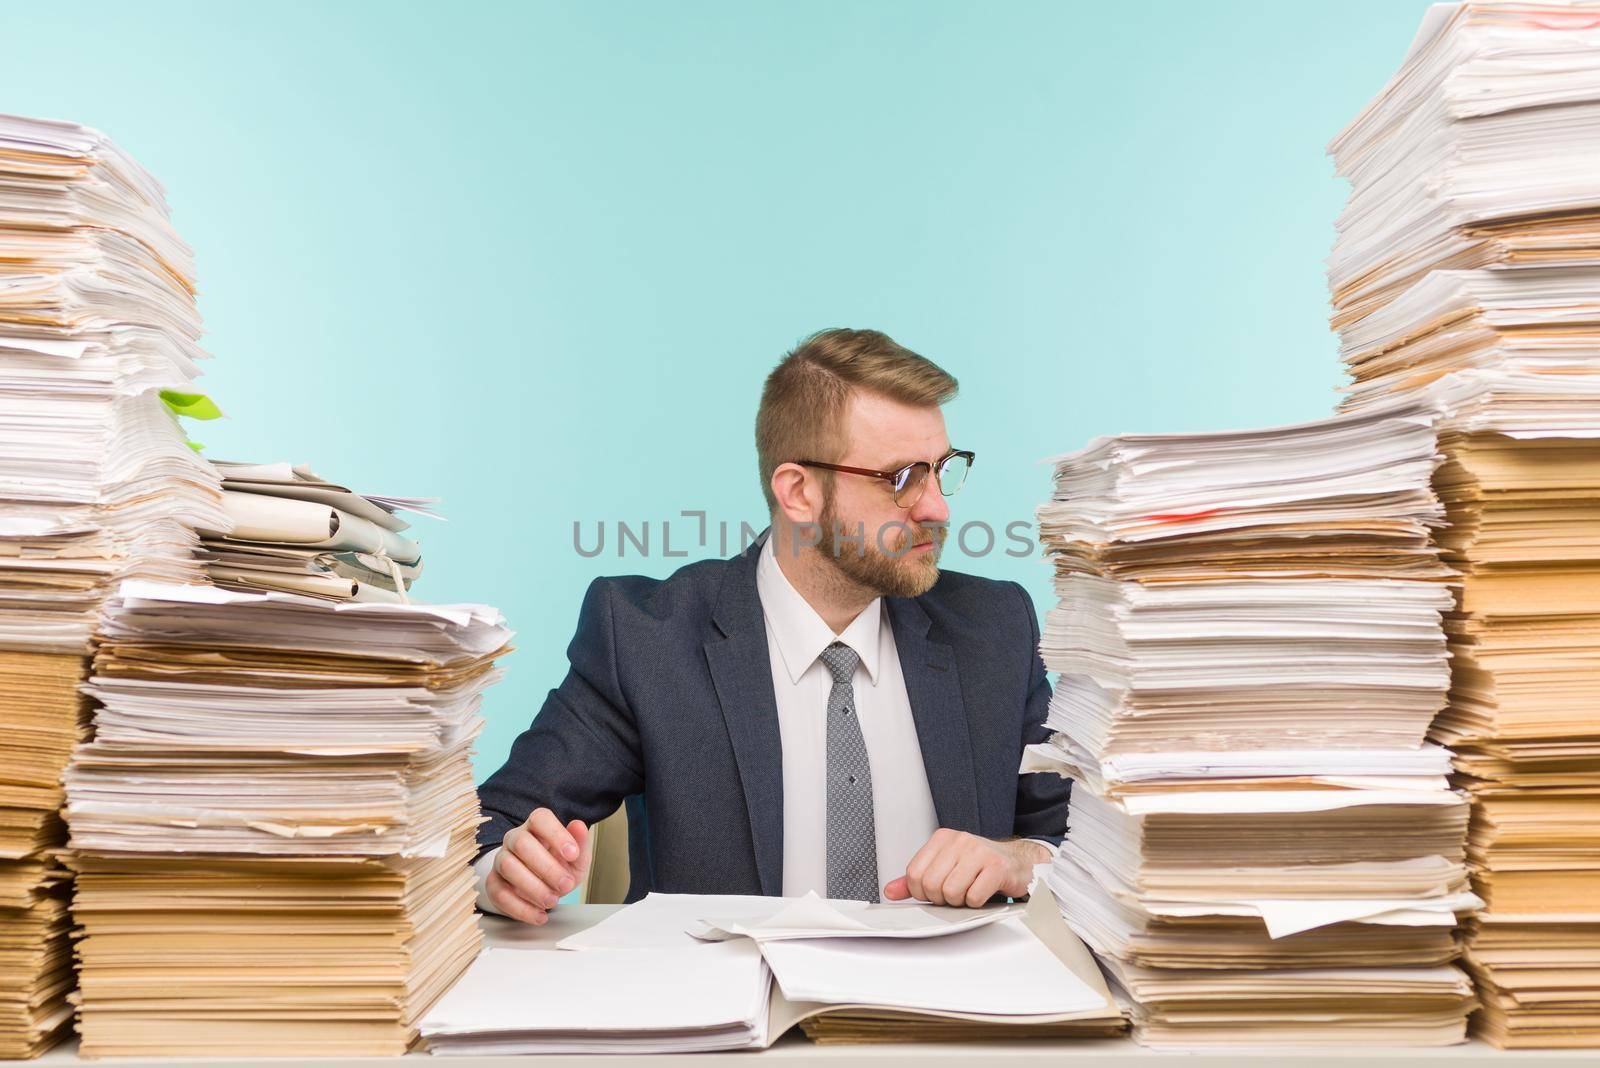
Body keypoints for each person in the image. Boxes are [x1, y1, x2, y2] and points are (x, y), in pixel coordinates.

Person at [474, 328, 1067, 924]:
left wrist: (1019, 859)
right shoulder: (647, 639)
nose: (938, 507)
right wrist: (506, 871)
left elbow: (1086, 846)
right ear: (799, 492)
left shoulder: (995, 631)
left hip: (944, 1009)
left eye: (942, 470)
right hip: (726, 1007)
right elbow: (490, 829)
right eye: (903, 478)